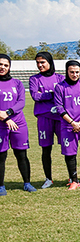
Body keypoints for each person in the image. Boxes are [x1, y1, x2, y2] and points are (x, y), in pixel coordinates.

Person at [53, 60, 80, 189]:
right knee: (70, 154)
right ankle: (74, 180)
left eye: (77, 72)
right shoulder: (60, 87)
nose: (75, 74)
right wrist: (72, 123)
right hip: (68, 126)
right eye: (72, 72)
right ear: (67, 72)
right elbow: (59, 108)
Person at [28, 51, 64, 188]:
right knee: (46, 149)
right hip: (44, 117)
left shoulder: (60, 78)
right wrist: (52, 93)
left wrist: (45, 94)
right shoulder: (34, 79)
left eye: (42, 62)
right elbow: (35, 97)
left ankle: (72, 177)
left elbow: (63, 95)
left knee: (67, 148)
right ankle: (48, 178)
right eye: (38, 62)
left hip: (61, 118)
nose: (40, 65)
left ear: (50, 62)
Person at [0, 54, 35, 195]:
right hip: (1, 124)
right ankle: (1, 186)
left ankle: (27, 183)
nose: (2, 67)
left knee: (21, 154)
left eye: (5, 65)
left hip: (18, 123)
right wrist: (5, 118)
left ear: (9, 67)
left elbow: (21, 102)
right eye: (0, 64)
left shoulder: (17, 83)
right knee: (1, 156)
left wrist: (8, 113)